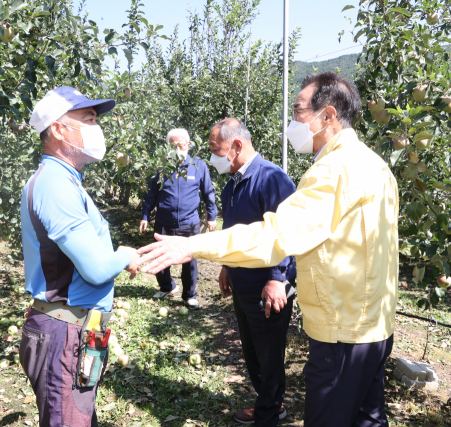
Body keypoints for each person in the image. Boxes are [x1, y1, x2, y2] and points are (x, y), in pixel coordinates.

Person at [138, 71, 399, 427]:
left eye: (298, 111)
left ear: (328, 115)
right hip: (374, 323)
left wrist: (193, 246)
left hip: (343, 331)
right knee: (367, 420)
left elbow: (276, 235)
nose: (292, 121)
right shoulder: (374, 164)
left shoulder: (333, 171)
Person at [20, 86, 140, 427]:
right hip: (63, 333)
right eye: (87, 119)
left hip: (77, 328)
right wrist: (123, 254)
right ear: (58, 129)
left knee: (78, 416)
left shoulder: (67, 181)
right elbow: (97, 268)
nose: (95, 127)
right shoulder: (55, 185)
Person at [209, 118, 297, 426]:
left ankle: (268, 415)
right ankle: (270, 403)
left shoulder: (271, 178)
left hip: (267, 284)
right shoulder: (232, 184)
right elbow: (234, 231)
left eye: (214, 149)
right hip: (242, 282)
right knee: (253, 350)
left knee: (270, 353)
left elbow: (289, 232)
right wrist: (225, 265)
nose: (212, 157)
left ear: (236, 146)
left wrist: (278, 277)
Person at [139, 128, 217, 309]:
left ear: (188, 145)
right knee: (159, 254)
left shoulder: (198, 166)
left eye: (180, 145)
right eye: (172, 146)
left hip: (189, 222)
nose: (177, 149)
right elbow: (150, 195)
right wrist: (145, 215)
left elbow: (208, 192)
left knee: (190, 260)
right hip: (164, 220)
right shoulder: (160, 167)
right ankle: (166, 287)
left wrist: (211, 216)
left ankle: (189, 295)